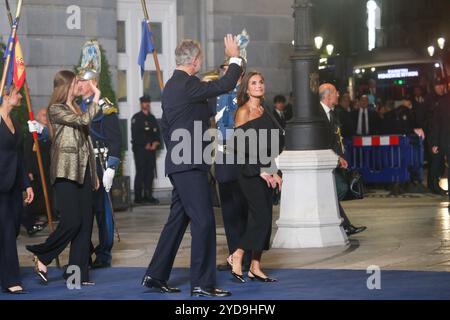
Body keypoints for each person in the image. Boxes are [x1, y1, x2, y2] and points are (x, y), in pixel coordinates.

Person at [141, 35, 242, 298]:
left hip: (181, 162)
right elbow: (225, 83)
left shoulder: (176, 86)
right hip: (188, 164)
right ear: (195, 62)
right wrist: (235, 56)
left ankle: (155, 275)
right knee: (204, 221)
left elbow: (171, 124)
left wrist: (178, 150)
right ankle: (202, 284)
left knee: (178, 219)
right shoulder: (187, 84)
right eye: (201, 60)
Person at [26, 70, 101, 286]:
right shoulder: (55, 109)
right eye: (76, 82)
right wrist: (96, 97)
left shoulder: (76, 107)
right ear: (66, 86)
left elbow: (87, 143)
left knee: (85, 224)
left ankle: (77, 276)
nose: (79, 85)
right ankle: (43, 256)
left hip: (83, 171)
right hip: (65, 171)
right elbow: (84, 120)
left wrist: (93, 173)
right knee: (72, 222)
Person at [229, 71, 283, 283]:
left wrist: (274, 170)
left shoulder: (266, 110)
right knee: (260, 215)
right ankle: (238, 254)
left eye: (261, 81)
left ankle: (255, 266)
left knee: (264, 218)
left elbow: (272, 143)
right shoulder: (243, 111)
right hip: (249, 170)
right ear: (247, 88)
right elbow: (240, 147)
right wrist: (260, 170)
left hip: (266, 169)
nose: (259, 85)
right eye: (254, 83)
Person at [77, 68, 122, 269]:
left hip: (100, 163)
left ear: (93, 83)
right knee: (82, 210)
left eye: (82, 81)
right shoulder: (76, 106)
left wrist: (112, 167)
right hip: (81, 165)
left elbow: (115, 139)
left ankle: (104, 253)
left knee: (103, 212)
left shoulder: (106, 107)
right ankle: (85, 250)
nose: (78, 84)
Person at [211, 57, 251, 272]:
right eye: (224, 69)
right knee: (228, 210)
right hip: (222, 156)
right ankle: (234, 254)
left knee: (243, 206)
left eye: (228, 70)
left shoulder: (246, 95)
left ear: (240, 74)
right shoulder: (216, 95)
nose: (224, 73)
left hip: (242, 156)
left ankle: (246, 255)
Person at [319, 83, 367, 236]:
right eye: (336, 93)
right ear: (327, 95)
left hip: (334, 160)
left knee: (333, 191)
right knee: (339, 190)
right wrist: (335, 157)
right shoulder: (317, 114)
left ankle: (344, 225)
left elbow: (335, 139)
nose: (338, 95)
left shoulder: (332, 113)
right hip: (324, 162)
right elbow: (321, 141)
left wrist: (340, 157)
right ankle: (339, 222)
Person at [0, 85, 34, 294]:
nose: (20, 96)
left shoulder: (16, 121)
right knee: (5, 230)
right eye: (16, 93)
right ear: (5, 95)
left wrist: (27, 185)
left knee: (11, 231)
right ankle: (11, 279)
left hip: (13, 184)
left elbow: (19, 157)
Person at [22, 108, 51, 236]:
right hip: (35, 171)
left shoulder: (47, 132)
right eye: (44, 115)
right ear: (38, 117)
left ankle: (32, 221)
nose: (46, 117)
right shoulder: (33, 132)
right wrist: (28, 171)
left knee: (39, 197)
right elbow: (27, 152)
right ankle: (27, 222)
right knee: (33, 198)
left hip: (44, 170)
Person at [131, 95, 161, 205]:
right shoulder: (136, 118)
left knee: (150, 173)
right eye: (144, 102)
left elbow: (157, 132)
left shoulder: (152, 118)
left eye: (148, 102)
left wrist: (156, 143)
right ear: (141, 104)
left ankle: (148, 196)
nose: (147, 104)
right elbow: (136, 135)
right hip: (140, 150)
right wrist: (146, 143)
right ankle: (138, 198)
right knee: (141, 172)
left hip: (151, 150)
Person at [431, 93, 450, 206]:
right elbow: (437, 123)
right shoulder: (443, 102)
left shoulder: (443, 101)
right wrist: (435, 143)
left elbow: (436, 124)